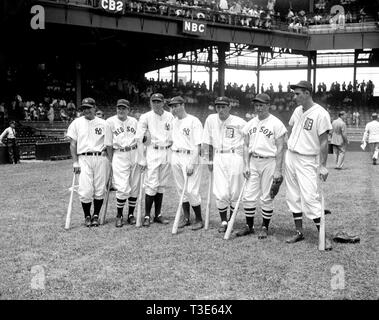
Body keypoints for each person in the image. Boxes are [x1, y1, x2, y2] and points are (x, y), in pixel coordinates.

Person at [285, 80, 332, 250]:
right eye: (294, 93)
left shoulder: (321, 113)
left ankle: (323, 236)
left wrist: (323, 165)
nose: (294, 96)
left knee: (310, 197)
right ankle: (298, 232)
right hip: (291, 155)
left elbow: (324, 141)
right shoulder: (298, 110)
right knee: (292, 195)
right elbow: (291, 128)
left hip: (307, 159)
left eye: (297, 93)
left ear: (307, 93)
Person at [236, 93, 287, 239]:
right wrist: (246, 165)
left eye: (261, 105)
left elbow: (280, 148)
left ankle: (265, 227)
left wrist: (278, 169)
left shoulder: (276, 123)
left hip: (269, 161)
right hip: (253, 161)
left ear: (268, 106)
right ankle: (249, 226)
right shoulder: (250, 124)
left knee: (266, 196)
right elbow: (245, 146)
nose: (258, 108)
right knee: (248, 195)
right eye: (256, 105)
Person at [202, 96, 247, 233]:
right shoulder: (210, 119)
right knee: (221, 192)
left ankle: (231, 219)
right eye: (218, 107)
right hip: (218, 156)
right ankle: (223, 221)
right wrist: (208, 159)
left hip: (234, 156)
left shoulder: (240, 122)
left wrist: (246, 162)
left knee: (234, 191)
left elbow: (248, 141)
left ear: (229, 107)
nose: (220, 109)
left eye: (223, 107)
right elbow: (206, 141)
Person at [66, 97, 109, 227]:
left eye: (89, 108)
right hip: (83, 158)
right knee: (85, 189)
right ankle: (87, 216)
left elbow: (109, 143)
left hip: (100, 158)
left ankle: (96, 215)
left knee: (100, 188)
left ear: (94, 108)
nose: (86, 111)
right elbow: (73, 144)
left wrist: (108, 155)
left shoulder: (104, 123)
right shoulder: (76, 123)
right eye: (84, 108)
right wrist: (75, 162)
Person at [105, 99, 145, 228]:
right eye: (119, 108)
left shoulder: (134, 121)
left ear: (128, 109)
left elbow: (140, 140)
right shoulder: (110, 122)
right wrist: (111, 160)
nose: (121, 110)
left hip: (134, 153)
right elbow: (108, 144)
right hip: (119, 154)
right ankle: (119, 215)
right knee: (122, 187)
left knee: (134, 186)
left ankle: (131, 215)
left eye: (123, 108)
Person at [136, 93, 173, 227]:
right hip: (153, 150)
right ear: (150, 102)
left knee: (161, 184)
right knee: (151, 184)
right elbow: (139, 139)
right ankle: (147, 215)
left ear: (163, 102)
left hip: (167, 150)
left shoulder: (170, 116)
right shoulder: (145, 117)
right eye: (153, 101)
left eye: (158, 101)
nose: (156, 103)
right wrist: (141, 158)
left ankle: (157, 215)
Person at [168, 96, 204, 231]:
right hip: (176, 155)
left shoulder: (194, 121)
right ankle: (187, 218)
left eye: (176, 105)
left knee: (191, 190)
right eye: (172, 106)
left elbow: (198, 145)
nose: (174, 108)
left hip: (190, 156)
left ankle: (199, 219)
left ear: (183, 105)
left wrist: (192, 163)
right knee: (180, 189)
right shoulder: (173, 121)